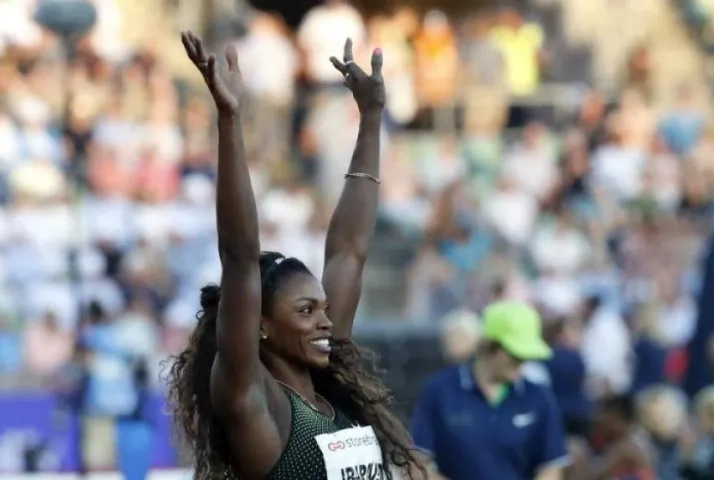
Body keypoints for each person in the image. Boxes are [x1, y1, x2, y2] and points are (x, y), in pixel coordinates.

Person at [167, 32, 426, 479]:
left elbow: (348, 251)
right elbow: (241, 258)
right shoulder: (253, 400)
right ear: (260, 326)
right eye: (306, 310)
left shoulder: (330, 384)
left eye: (323, 308)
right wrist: (230, 120)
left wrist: (370, 118)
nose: (326, 321)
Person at [411, 301, 569, 480]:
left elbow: (550, 468)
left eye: (527, 356)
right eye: (516, 355)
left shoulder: (539, 397)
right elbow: (419, 462)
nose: (522, 362)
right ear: (489, 346)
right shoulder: (439, 391)